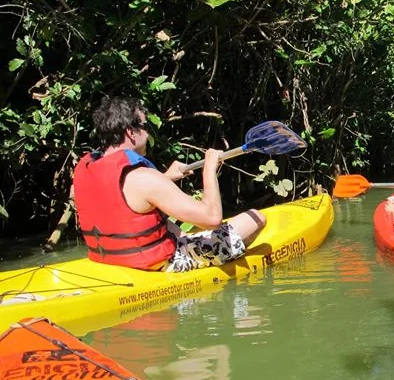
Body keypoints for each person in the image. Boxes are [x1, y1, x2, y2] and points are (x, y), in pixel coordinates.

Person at [73, 96, 266, 272]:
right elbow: (213, 219)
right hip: (161, 264)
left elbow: (121, 201)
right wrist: (209, 169)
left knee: (174, 227)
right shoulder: (144, 177)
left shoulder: (87, 168)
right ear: (131, 132)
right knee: (255, 218)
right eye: (145, 126)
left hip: (107, 260)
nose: (148, 133)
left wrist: (165, 177)